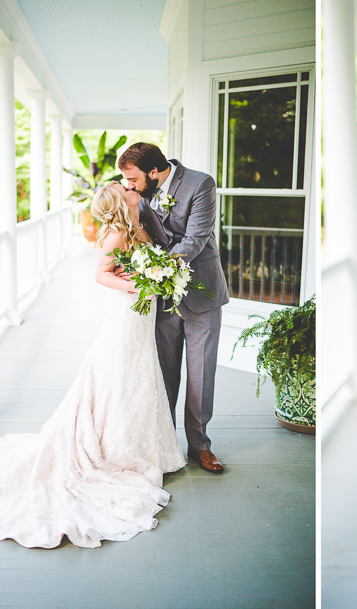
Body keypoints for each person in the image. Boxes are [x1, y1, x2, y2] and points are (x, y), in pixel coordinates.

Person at [0, 182, 186, 548]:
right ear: (119, 202)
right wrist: (141, 285)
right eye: (124, 188)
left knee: (140, 374)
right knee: (120, 373)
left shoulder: (139, 224)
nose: (130, 188)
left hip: (142, 315)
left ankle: (145, 447)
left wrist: (157, 274)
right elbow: (101, 275)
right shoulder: (115, 234)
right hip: (127, 312)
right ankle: (117, 450)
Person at [117, 143, 230, 473]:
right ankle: (164, 446)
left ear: (154, 172)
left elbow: (195, 240)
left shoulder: (200, 184)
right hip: (161, 299)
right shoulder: (137, 190)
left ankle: (199, 446)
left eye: (134, 178)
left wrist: (153, 268)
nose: (129, 185)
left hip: (201, 293)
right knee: (162, 374)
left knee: (201, 375)